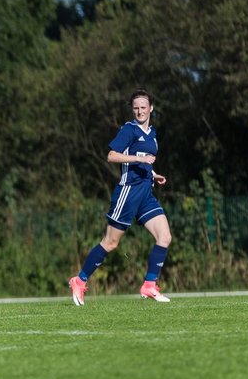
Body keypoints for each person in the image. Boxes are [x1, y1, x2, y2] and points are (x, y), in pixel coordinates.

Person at [69, 89, 172, 304]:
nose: (140, 111)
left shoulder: (152, 133)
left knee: (165, 237)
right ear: (132, 110)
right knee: (111, 243)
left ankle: (149, 285)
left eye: (143, 107)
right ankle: (79, 281)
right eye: (136, 108)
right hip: (128, 193)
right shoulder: (129, 130)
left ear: (151, 108)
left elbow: (145, 160)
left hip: (146, 193)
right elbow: (112, 156)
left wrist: (153, 174)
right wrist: (139, 160)